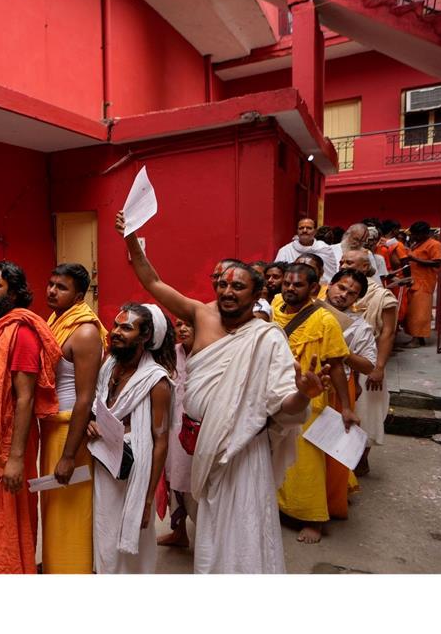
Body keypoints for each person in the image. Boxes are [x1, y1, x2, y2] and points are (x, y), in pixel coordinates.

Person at [115, 212, 320, 573]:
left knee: (244, 523)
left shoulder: (267, 337)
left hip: (243, 449)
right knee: (209, 523)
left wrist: (304, 394)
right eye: (223, 285)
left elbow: (282, 405)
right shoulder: (200, 314)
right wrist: (131, 238)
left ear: (258, 294)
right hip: (203, 446)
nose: (227, 291)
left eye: (238, 287)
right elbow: (153, 281)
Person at [0, 261, 61, 574]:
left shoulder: (21, 334)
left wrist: (16, 459)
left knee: (6, 515)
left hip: (7, 440)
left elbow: (25, 398)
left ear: (15, 294)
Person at [89, 302, 173, 574]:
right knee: (105, 532)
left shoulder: (156, 382)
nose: (116, 332)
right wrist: (92, 423)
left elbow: (160, 442)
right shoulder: (109, 364)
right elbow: (98, 405)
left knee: (133, 535)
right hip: (104, 463)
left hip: (133, 473)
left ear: (146, 336)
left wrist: (147, 499)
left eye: (126, 328)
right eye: (116, 325)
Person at [274, 264, 355, 544]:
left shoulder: (325, 320)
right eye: (286, 283)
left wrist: (346, 407)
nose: (289, 289)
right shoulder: (273, 309)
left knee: (306, 461)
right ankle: (279, 506)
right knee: (274, 454)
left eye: (297, 285)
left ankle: (314, 519)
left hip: (311, 396)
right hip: (274, 394)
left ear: (312, 289)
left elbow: (335, 366)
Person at [40, 263, 105, 573]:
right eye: (51, 284)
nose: (52, 291)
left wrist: (69, 455)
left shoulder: (85, 331)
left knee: (71, 510)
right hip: (53, 426)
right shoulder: (56, 320)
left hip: (70, 431)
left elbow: (85, 397)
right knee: (53, 508)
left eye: (61, 287)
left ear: (79, 295)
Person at [321, 268, 376, 519]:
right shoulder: (307, 309)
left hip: (338, 388)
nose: (344, 295)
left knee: (332, 450)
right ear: (330, 285)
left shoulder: (360, 327)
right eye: (341, 287)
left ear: (357, 300)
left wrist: (341, 351)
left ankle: (328, 505)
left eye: (351, 293)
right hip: (302, 384)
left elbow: (367, 365)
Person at [343, 248, 399, 475]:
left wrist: (379, 368)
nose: (344, 264)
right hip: (342, 361)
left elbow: (388, 333)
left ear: (365, 267)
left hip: (368, 360)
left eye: (350, 261)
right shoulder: (338, 290)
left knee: (367, 413)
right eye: (342, 261)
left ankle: (362, 458)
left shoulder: (381, 296)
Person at [158, 316, 195, 549]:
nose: (182, 329)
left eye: (188, 324)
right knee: (173, 480)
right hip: (172, 426)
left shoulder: (207, 353)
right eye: (178, 324)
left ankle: (207, 542)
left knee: (197, 484)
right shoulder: (172, 354)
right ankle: (179, 532)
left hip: (197, 428)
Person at [403, 221, 441, 346]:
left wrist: (414, 259)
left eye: (416, 234)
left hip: (425, 283)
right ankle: (419, 338)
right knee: (413, 312)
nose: (414, 236)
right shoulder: (417, 244)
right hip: (414, 282)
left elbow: (437, 262)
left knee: (420, 312)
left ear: (424, 233)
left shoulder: (435, 244)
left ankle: (416, 339)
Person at [275, 218, 338, 282]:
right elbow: (277, 273)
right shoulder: (285, 251)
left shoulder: (324, 249)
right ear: (297, 231)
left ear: (315, 231)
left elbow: (331, 275)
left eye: (309, 228)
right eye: (301, 228)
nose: (304, 230)